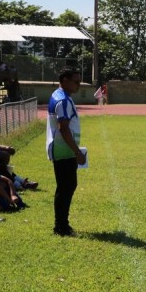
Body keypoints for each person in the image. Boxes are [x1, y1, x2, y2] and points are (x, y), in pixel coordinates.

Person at [47, 67, 85, 236]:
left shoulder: (60, 95)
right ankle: (61, 227)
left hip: (63, 149)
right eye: (76, 82)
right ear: (64, 81)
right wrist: (77, 152)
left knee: (67, 186)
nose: (79, 85)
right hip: (64, 150)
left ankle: (62, 225)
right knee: (65, 187)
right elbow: (63, 128)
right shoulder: (62, 100)